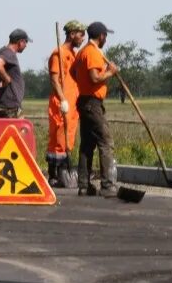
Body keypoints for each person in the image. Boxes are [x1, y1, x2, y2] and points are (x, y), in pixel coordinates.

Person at [71, 21, 121, 198]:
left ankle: (84, 186)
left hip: (84, 101)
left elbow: (72, 72)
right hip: (92, 103)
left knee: (87, 144)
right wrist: (110, 72)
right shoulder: (92, 52)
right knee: (105, 142)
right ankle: (107, 185)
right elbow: (94, 77)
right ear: (101, 36)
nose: (106, 38)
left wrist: (81, 82)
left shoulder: (82, 52)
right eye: (105, 36)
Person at [47, 20, 86, 185]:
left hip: (73, 103)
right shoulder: (59, 53)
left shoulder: (74, 54)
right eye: (81, 34)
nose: (83, 38)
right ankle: (55, 174)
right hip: (61, 103)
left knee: (69, 138)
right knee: (59, 139)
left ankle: (65, 170)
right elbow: (54, 79)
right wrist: (63, 99)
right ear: (72, 34)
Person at [0, 29, 29, 118]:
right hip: (10, 108)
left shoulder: (2, 51)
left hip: (0, 105)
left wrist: (2, 77)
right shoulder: (9, 53)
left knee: (0, 132)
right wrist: (7, 79)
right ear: (20, 42)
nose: (26, 45)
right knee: (14, 131)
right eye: (25, 42)